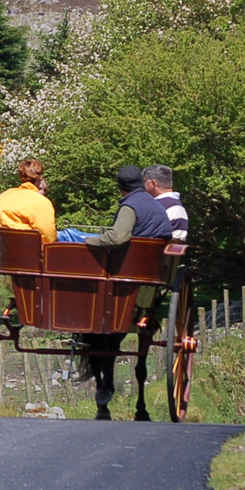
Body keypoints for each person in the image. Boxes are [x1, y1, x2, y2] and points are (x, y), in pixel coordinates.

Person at [78, 164, 174, 419]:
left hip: (126, 280)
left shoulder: (130, 206)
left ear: (120, 187)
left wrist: (90, 240)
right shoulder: (154, 205)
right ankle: (129, 401)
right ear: (143, 183)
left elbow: (118, 238)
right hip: (149, 283)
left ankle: (103, 387)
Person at [0, 159, 56, 242]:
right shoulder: (40, 201)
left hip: (8, 248)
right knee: (72, 234)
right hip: (33, 248)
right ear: (40, 180)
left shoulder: (3, 197)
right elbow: (49, 237)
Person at [143, 164, 188, 242]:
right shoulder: (177, 206)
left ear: (153, 183)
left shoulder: (156, 207)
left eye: (145, 181)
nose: (143, 185)